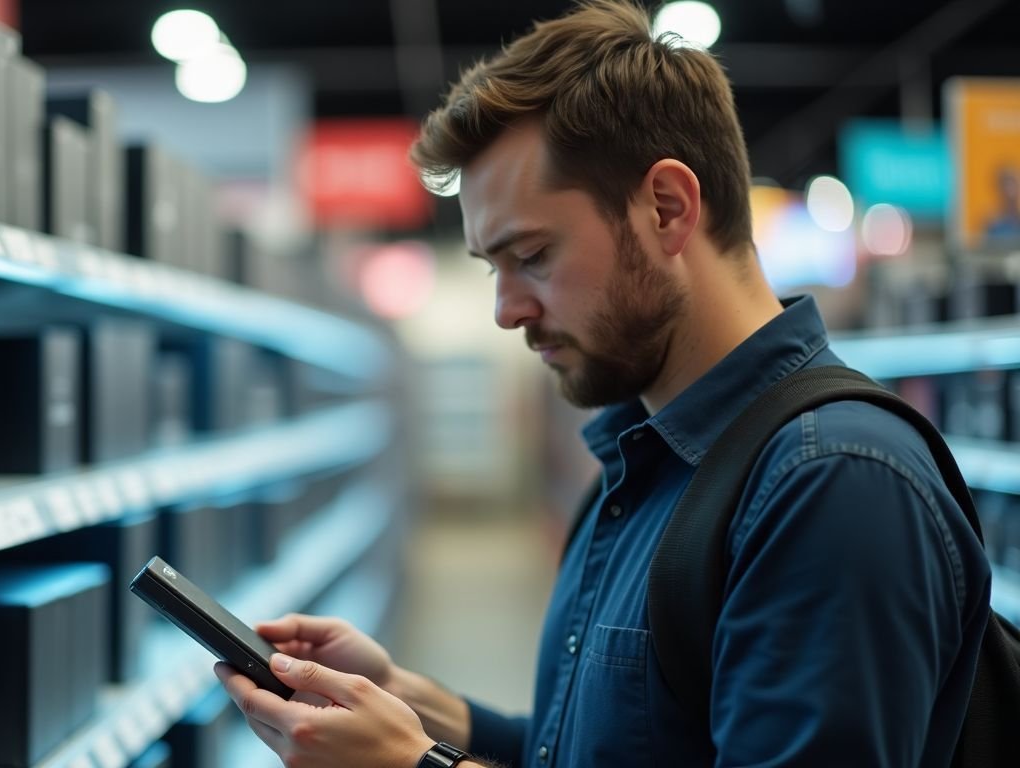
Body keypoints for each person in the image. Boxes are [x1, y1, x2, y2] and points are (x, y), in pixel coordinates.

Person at [216, 2, 992, 766]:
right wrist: (413, 705)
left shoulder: (831, 482)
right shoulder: (645, 463)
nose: (506, 311)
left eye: (533, 256)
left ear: (667, 208)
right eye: (493, 268)